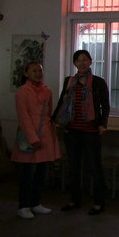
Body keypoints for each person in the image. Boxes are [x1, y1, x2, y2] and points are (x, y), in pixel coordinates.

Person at [52, 50, 110, 215]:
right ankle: (74, 200)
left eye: (85, 60)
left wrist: (102, 124)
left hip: (91, 131)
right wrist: (54, 120)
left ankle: (99, 202)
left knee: (94, 166)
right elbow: (62, 102)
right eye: (78, 60)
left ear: (90, 62)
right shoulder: (69, 81)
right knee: (73, 167)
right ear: (74, 63)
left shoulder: (98, 82)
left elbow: (105, 106)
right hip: (72, 130)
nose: (82, 63)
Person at [12, 61, 60, 219]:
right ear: (26, 73)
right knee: (27, 173)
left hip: (45, 134)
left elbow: (49, 113)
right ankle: (23, 205)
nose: (38, 73)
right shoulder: (22, 92)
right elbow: (23, 118)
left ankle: (36, 202)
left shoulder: (47, 91)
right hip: (29, 135)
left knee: (42, 171)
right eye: (34, 71)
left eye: (40, 70)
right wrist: (33, 138)